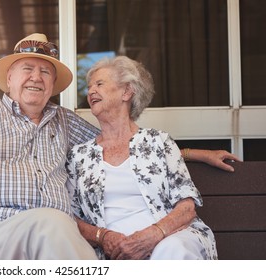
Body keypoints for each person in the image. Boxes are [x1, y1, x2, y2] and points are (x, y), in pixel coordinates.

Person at [0, 33, 238, 260]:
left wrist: (194, 153)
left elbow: (122, 140)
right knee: (53, 222)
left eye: (45, 72)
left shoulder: (65, 122)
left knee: (57, 228)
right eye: (27, 69)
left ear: (52, 86)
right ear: (9, 79)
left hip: (54, 243)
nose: (36, 77)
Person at [65, 55, 219, 260]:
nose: (91, 90)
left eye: (100, 84)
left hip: (168, 239)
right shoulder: (79, 156)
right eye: (90, 86)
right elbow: (72, 217)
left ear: (127, 91)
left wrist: (153, 235)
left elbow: (187, 207)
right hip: (111, 251)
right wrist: (103, 237)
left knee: (171, 250)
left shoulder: (159, 142)